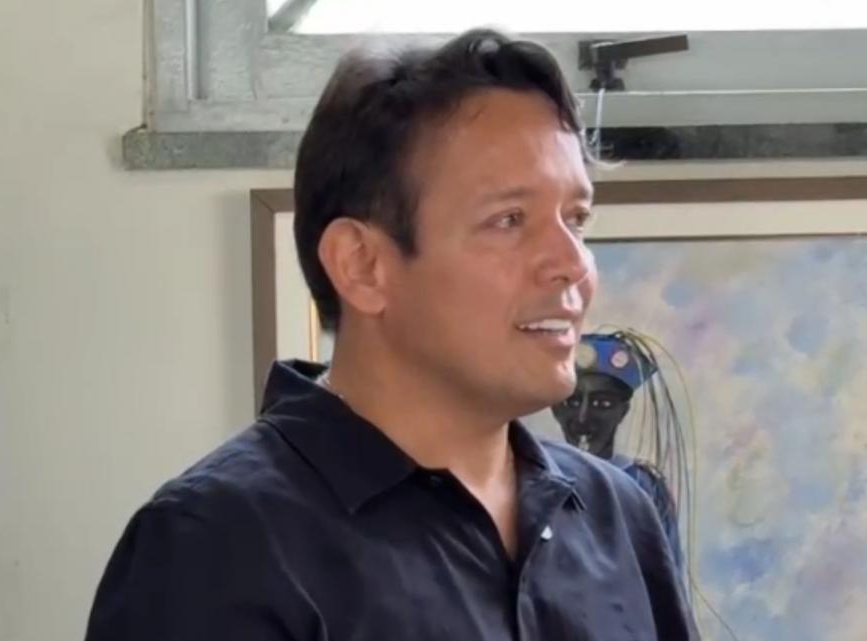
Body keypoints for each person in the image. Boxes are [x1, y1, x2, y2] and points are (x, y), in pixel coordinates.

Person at [84, 28, 697, 641]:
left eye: (576, 219)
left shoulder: (617, 517)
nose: (572, 263)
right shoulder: (216, 545)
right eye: (509, 220)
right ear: (361, 265)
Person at [552, 331, 690, 586]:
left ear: (622, 411)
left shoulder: (642, 485)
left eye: (602, 405)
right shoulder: (535, 480)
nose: (583, 418)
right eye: (571, 402)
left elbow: (667, 581)